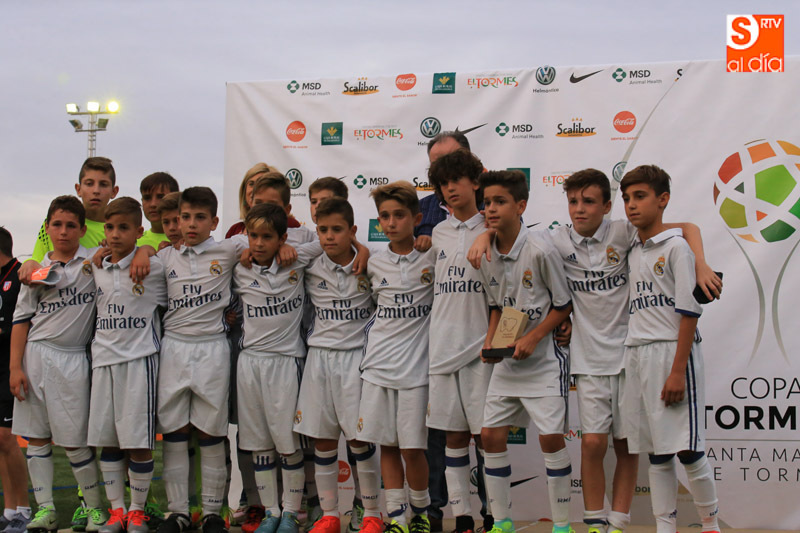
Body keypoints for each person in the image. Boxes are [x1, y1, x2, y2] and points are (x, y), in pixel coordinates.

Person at [548, 169, 721, 533]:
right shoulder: (565, 241)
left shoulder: (641, 238)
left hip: (644, 356)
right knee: (617, 446)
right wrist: (563, 320)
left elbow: (687, 231)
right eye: (573, 202)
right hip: (611, 357)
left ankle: (691, 524)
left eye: (589, 201)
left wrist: (701, 262)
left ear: (605, 206)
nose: (579, 209)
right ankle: (608, 523)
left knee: (667, 449)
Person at [618, 165, 720, 533]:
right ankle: (665, 527)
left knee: (689, 450)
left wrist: (677, 371)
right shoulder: (631, 247)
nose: (631, 205)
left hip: (673, 354)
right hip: (638, 355)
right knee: (657, 453)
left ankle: (711, 525)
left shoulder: (677, 248)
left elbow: (689, 312)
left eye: (640, 196)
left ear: (663, 200)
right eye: (626, 198)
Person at [475, 171, 573, 533]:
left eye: (500, 202)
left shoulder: (540, 249)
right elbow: (497, 306)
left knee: (551, 439)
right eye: (487, 202)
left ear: (521, 206)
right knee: (490, 436)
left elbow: (563, 305)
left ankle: (562, 525)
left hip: (544, 360)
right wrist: (491, 341)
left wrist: (534, 338)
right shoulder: (485, 253)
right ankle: (502, 522)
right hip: (508, 362)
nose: (491, 209)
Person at [9, 196, 108, 533]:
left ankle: (94, 509)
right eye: (57, 225)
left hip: (74, 357)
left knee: (75, 441)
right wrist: (15, 368)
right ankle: (46, 511)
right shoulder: (35, 270)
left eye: (70, 225)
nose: (63, 231)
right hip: (35, 356)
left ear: (82, 229)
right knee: (37, 438)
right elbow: (21, 320)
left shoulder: (93, 262)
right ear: (47, 228)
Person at [153, 187, 248, 533]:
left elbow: (270, 243)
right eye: (185, 217)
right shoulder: (164, 257)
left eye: (199, 217)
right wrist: (145, 250)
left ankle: (211, 513)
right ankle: (178, 512)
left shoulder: (229, 249)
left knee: (211, 432)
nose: (191, 224)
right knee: (175, 430)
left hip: (213, 349)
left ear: (214, 221)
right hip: (174, 348)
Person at [232, 202, 328, 533]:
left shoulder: (296, 259)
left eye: (267, 237)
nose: (258, 243)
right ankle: (270, 512)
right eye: (253, 236)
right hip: (250, 364)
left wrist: (291, 248)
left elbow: (329, 241)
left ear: (282, 238)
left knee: (288, 445)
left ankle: (290, 513)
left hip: (286, 362)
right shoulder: (238, 264)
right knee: (260, 445)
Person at [293, 198, 381, 533]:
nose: (329, 236)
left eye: (337, 230)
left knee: (360, 441)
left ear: (352, 231)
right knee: (323, 440)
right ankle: (330, 515)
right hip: (319, 360)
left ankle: (371, 513)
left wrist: (363, 250)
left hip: (356, 359)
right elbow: (273, 255)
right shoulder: (309, 266)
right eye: (323, 229)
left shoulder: (371, 265)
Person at [358, 181, 434, 533]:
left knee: (413, 449)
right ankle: (397, 517)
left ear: (416, 219)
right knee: (387, 445)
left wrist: (431, 241)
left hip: (416, 370)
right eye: (385, 216)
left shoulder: (432, 255)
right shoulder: (373, 261)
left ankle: (420, 514)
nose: (391, 223)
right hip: (378, 366)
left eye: (399, 215)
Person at [88, 198, 167, 533]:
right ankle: (117, 511)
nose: (115, 234)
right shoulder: (95, 267)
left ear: (138, 230)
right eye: (110, 227)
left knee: (138, 443)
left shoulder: (154, 269)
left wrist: (145, 252)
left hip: (139, 363)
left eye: (123, 228)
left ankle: (137, 511)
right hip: (103, 363)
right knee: (108, 441)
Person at [425, 150, 491, 533]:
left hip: (480, 348)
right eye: (443, 183)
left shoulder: (493, 226)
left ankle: (494, 516)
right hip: (443, 347)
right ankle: (462, 517)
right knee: (453, 435)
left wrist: (489, 232)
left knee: (487, 437)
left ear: (475, 182)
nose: (450, 188)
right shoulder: (438, 233)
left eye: (457, 180)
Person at [21, 157, 119, 279]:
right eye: (89, 184)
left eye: (103, 184)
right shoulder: (55, 224)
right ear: (78, 189)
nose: (96, 190)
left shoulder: (120, 231)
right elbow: (37, 261)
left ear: (114, 191)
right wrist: (29, 263)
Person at [0, 227, 31, 533]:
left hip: (12, 366)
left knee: (7, 438)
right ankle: (9, 510)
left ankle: (24, 509)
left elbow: (25, 320)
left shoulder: (20, 274)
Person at [251, 173, 316, 245]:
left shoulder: (303, 236)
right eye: (258, 203)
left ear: (287, 210)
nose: (263, 209)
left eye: (271, 205)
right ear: (251, 204)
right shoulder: (242, 238)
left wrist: (294, 249)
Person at [226, 163, 281, 239]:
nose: (254, 189)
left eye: (261, 184)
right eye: (251, 184)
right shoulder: (234, 230)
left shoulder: (289, 225)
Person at [137, 172, 180, 249]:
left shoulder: (192, 241)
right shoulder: (134, 242)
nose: (153, 204)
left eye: (160, 197)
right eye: (147, 198)